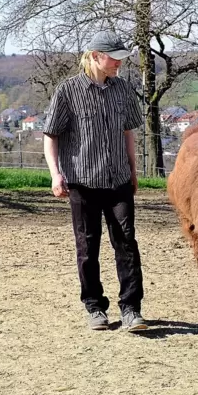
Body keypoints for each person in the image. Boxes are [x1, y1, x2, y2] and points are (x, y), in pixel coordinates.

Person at [43, 31, 148, 331]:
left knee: (126, 242)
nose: (119, 64)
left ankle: (131, 308)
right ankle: (94, 307)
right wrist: (55, 174)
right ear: (95, 57)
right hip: (82, 181)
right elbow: (51, 135)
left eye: (120, 59)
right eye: (113, 58)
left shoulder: (123, 90)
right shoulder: (67, 91)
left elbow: (129, 132)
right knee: (88, 247)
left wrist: (133, 170)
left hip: (118, 181)